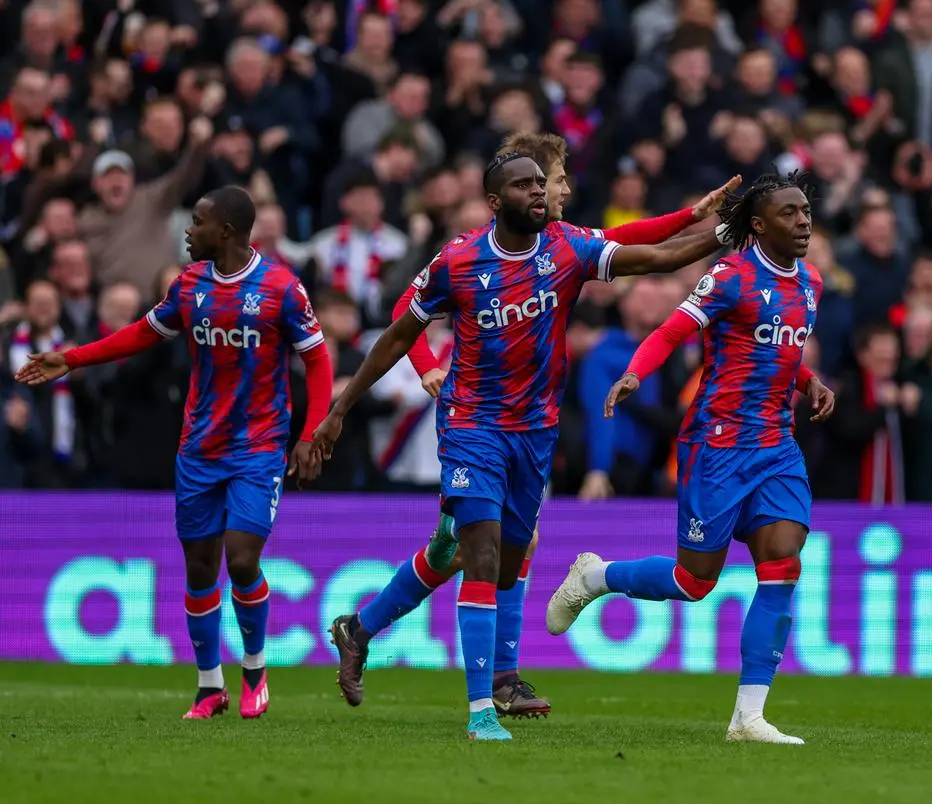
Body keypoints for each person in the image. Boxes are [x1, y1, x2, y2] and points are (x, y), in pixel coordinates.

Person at [310, 152, 730, 741]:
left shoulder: (566, 248)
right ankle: (485, 704)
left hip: (534, 432)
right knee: (479, 555)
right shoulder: (457, 260)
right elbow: (399, 332)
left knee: (487, 557)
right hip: (472, 427)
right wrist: (339, 410)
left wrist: (733, 228)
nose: (540, 193)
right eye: (526, 185)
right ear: (494, 201)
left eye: (543, 183)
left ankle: (362, 629)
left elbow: (657, 254)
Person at [15, 186, 334, 720]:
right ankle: (211, 686)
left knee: (242, 559)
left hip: (258, 447)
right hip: (198, 450)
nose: (188, 231)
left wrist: (310, 434)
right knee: (200, 569)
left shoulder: (281, 288)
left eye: (198, 222)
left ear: (226, 232)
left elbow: (319, 363)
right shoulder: (189, 286)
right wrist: (72, 359)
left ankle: (254, 668)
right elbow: (142, 334)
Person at [543, 173, 837, 745]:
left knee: (782, 562)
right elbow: (672, 332)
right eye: (790, 213)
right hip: (718, 443)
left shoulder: (811, 282)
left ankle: (748, 717)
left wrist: (808, 381)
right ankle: (595, 576)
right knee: (695, 581)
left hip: (775, 444)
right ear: (757, 225)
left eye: (806, 211)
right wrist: (634, 373)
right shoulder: (729, 277)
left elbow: (776, 349)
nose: (804, 221)